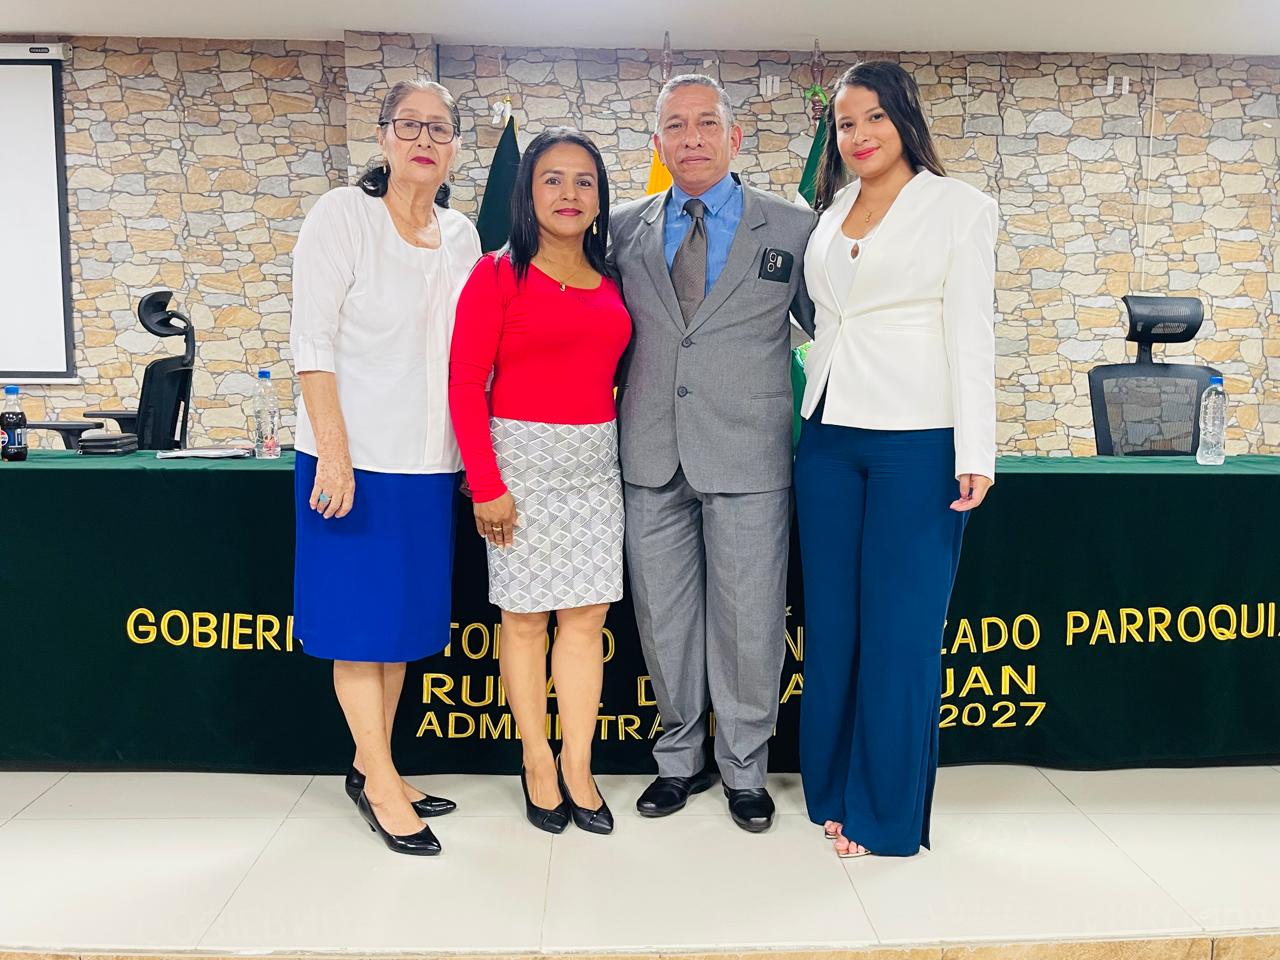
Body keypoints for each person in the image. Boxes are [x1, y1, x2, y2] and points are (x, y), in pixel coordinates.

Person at [794, 60, 998, 858]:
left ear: (904, 119)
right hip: (827, 435)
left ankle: (884, 814)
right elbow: (825, 319)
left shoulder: (959, 207)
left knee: (900, 632)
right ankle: (833, 789)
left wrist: (975, 448)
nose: (859, 135)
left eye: (874, 117)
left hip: (917, 437)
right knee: (834, 626)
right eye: (846, 123)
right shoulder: (830, 210)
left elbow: (971, 330)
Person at [609, 74, 816, 833]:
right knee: (663, 618)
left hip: (749, 456)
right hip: (649, 454)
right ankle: (679, 760)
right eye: (675, 125)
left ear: (734, 137)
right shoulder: (620, 229)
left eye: (705, 124)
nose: (690, 138)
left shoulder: (792, 228)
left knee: (748, 620)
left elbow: (834, 331)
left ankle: (744, 769)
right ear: (657, 142)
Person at [289, 77, 481, 856]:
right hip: (354, 462)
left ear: (456, 146)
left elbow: (466, 355)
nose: (424, 141)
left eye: (439, 129)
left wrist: (469, 454)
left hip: (427, 465)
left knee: (398, 631)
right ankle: (379, 783)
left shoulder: (461, 235)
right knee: (357, 628)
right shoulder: (342, 216)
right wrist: (334, 455)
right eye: (409, 126)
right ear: (383, 136)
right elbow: (312, 344)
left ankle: (376, 765)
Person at [449, 128, 632, 836]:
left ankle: (579, 765)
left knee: (586, 620)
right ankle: (537, 762)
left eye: (584, 181)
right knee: (524, 622)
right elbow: (465, 383)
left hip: (595, 468)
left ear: (600, 198)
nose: (569, 193)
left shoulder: (613, 278)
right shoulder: (496, 274)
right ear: (528, 192)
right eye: (552, 179)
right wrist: (486, 483)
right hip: (518, 467)